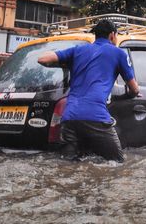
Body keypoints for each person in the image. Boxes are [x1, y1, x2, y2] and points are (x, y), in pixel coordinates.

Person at [38, 20, 139, 162]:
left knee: (68, 165)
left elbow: (42, 59)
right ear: (112, 35)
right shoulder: (118, 53)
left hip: (69, 118)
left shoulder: (77, 50)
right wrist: (128, 95)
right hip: (96, 117)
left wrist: (66, 61)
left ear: (96, 35)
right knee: (118, 164)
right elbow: (134, 89)